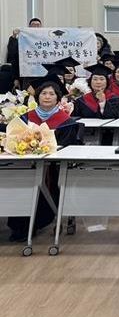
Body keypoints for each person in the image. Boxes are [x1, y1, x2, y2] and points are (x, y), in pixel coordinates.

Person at [8, 77, 81, 241]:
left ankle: (36, 223)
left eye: (51, 94)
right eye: (43, 93)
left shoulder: (66, 122)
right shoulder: (25, 118)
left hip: (53, 168)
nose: (47, 97)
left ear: (57, 98)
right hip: (26, 165)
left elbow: (67, 148)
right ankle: (20, 225)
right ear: (38, 96)